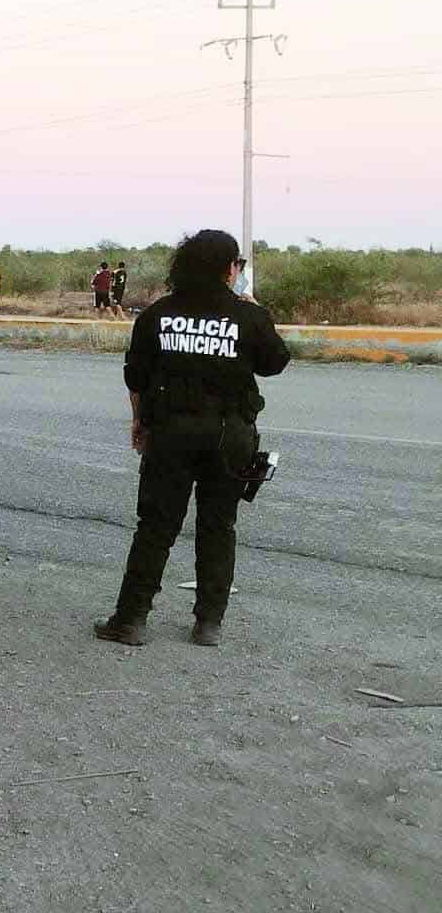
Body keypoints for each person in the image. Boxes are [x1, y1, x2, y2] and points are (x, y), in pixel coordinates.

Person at [94, 229, 290, 648]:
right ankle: (208, 624)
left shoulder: (158, 315)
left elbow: (137, 378)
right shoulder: (247, 316)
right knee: (219, 526)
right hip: (230, 436)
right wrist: (255, 309)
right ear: (228, 268)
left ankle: (130, 620)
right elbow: (275, 362)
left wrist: (139, 424)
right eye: (237, 265)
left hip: (171, 433)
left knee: (155, 527)